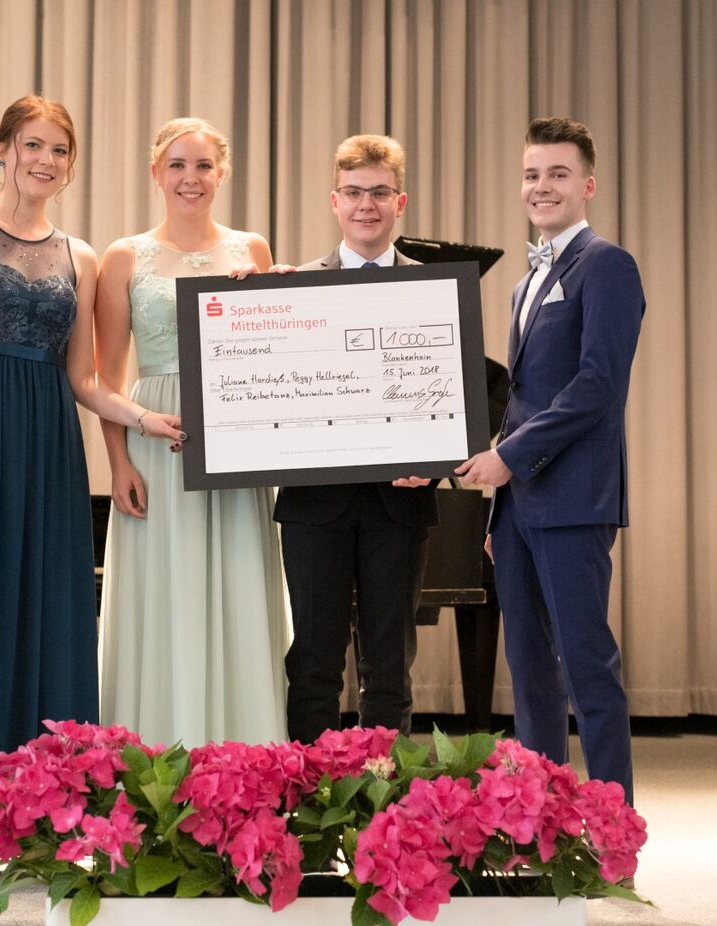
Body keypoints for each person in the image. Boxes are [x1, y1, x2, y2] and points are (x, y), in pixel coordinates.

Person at [0, 96, 183, 865]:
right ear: (3, 150)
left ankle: (45, 826)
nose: (45, 160)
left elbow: (84, 377)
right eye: (32, 145)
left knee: (48, 620)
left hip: (50, 447)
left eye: (59, 150)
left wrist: (144, 421)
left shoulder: (80, 257)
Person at [456, 117, 645, 804]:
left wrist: (507, 458)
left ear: (586, 185)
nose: (542, 186)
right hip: (519, 507)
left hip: (573, 502)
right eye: (532, 174)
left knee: (587, 666)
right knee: (529, 670)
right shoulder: (522, 283)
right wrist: (498, 501)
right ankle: (544, 820)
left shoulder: (606, 265)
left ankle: (612, 825)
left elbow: (596, 387)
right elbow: (522, 397)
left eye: (558, 174)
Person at [96, 118, 288, 747]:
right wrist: (120, 464)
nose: (190, 178)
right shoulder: (124, 256)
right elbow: (107, 373)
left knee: (237, 591)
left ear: (221, 174)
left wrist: (280, 295)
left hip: (234, 442)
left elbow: (275, 351)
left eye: (203, 166)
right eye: (177, 165)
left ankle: (243, 756)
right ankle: (157, 756)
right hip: (157, 441)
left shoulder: (252, 248)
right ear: (156, 173)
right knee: (162, 603)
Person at [276, 135, 438, 744]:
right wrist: (243, 306)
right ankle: (311, 804)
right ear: (334, 202)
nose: (365, 205)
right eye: (353, 193)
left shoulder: (437, 290)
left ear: (400, 202)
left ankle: (382, 807)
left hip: (400, 504)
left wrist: (436, 460)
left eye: (378, 193)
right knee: (313, 662)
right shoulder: (286, 290)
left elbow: (457, 398)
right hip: (315, 504)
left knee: (389, 668)